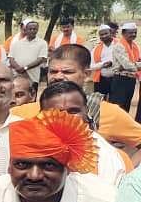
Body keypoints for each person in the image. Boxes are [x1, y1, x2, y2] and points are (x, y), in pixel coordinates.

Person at [10, 44, 141, 152]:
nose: (58, 77)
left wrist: (127, 171)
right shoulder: (21, 113)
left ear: (86, 74)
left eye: (67, 72)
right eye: (53, 71)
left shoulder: (105, 112)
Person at [37, 81, 132, 185]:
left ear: (86, 111)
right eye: (57, 113)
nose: (66, 118)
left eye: (73, 111)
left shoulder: (115, 159)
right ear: (42, 115)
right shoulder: (24, 155)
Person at [107, 22, 140, 116]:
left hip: (131, 80)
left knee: (126, 106)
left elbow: (130, 64)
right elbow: (127, 65)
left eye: (135, 32)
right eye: (131, 32)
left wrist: (132, 65)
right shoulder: (119, 46)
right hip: (120, 79)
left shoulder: (135, 46)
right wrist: (134, 65)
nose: (133, 35)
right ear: (123, 33)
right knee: (118, 106)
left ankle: (122, 128)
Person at [9, 19, 49, 86]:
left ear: (37, 30)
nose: (32, 31)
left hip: (33, 77)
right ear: (26, 30)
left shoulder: (42, 43)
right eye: (30, 29)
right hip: (17, 75)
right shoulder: (16, 43)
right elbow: (11, 59)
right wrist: (19, 69)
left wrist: (25, 68)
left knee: (31, 95)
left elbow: (40, 59)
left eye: (34, 29)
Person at [92, 24, 116, 96]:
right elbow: (91, 65)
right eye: (101, 35)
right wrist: (102, 65)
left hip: (117, 79)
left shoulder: (119, 44)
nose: (104, 36)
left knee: (115, 102)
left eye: (106, 33)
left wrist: (112, 63)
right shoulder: (96, 48)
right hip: (101, 79)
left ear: (111, 33)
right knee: (100, 101)